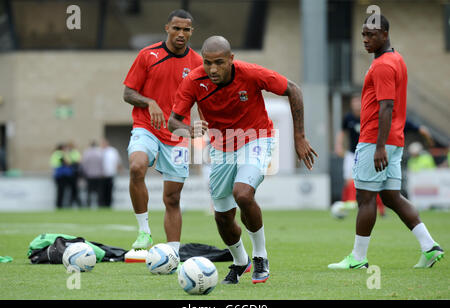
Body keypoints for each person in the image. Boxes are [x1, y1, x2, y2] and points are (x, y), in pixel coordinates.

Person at [168, 35, 317, 284]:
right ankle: (240, 261)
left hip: (257, 139)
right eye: (207, 63)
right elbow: (174, 119)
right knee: (222, 217)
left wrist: (299, 136)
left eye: (219, 62)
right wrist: (187, 128)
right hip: (221, 148)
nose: (213, 69)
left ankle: (261, 256)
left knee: (243, 194)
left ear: (231, 60)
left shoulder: (251, 73)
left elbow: (293, 89)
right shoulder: (193, 81)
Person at [328, 14, 444, 270]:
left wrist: (379, 146)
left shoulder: (382, 65)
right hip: (394, 140)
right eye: (363, 35)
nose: (365, 40)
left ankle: (358, 258)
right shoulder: (396, 59)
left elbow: (387, 106)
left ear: (385, 34)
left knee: (366, 198)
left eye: (371, 34)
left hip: (375, 141)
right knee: (391, 197)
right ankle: (429, 246)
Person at [122, 9, 203, 253]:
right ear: (167, 28)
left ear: (191, 32)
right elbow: (128, 93)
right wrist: (149, 102)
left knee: (173, 198)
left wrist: (200, 125)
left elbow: (204, 98)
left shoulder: (198, 63)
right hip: (146, 127)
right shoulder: (148, 55)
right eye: (176, 28)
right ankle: (144, 232)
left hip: (177, 136)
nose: (181, 33)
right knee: (137, 166)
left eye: (186, 29)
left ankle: (173, 254)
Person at [334, 94, 435, 217]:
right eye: (353, 102)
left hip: (373, 152)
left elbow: (419, 129)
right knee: (351, 181)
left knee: (376, 183)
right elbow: (342, 132)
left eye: (358, 102)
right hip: (353, 153)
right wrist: (338, 145)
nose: (356, 105)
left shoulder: (383, 117)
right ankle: (349, 205)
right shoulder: (349, 118)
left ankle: (379, 208)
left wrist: (428, 138)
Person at [81, 141, 104, 208]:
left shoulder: (87, 153)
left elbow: (84, 164)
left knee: (89, 191)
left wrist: (84, 173)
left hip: (89, 175)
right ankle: (99, 204)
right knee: (99, 191)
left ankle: (88, 204)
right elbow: (101, 164)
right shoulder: (99, 153)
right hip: (98, 175)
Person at [100, 138, 122, 208]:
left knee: (109, 191)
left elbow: (118, 161)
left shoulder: (112, 151)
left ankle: (108, 205)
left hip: (110, 174)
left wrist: (119, 170)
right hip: (101, 175)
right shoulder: (99, 151)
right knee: (102, 191)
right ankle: (102, 205)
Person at [50, 143, 72, 209]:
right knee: (61, 191)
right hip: (61, 175)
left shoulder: (55, 153)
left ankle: (59, 205)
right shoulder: (59, 154)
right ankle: (59, 205)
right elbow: (65, 162)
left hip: (58, 174)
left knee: (60, 191)